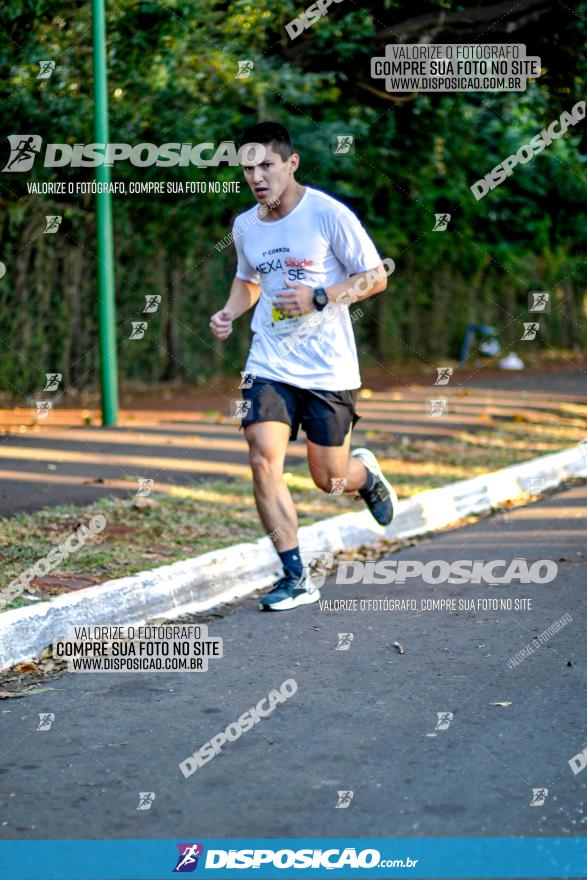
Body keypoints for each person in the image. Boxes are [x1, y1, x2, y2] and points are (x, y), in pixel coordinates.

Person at [209, 121, 397, 612]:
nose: (257, 176)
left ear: (291, 164)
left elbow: (375, 277)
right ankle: (295, 576)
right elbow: (248, 280)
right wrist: (230, 311)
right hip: (269, 360)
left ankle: (366, 477)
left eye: (266, 165)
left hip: (328, 367)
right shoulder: (246, 224)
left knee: (328, 477)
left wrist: (321, 296)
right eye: (248, 168)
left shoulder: (328, 214)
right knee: (260, 457)